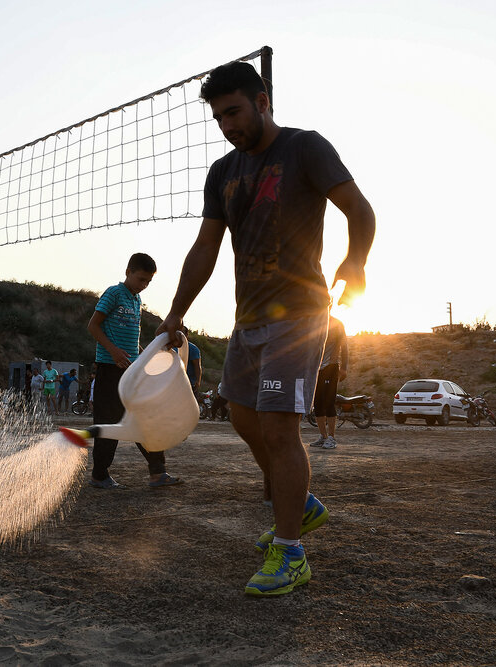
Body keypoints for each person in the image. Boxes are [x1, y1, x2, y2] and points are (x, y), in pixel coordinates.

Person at [157, 61, 375, 597]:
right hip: (247, 319)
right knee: (241, 416)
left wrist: (357, 262)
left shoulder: (305, 148)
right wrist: (175, 313)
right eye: (217, 117)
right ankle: (298, 502)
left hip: (299, 315)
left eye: (233, 111)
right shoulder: (221, 172)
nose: (227, 124)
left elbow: (359, 208)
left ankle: (292, 553)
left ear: (262, 100)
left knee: (280, 429)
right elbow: (206, 247)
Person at [87, 252, 181, 489]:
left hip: (132, 371)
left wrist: (144, 357)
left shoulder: (136, 301)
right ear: (128, 272)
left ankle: (157, 473)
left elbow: (132, 339)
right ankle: (99, 475)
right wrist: (113, 351)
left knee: (147, 418)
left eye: (148, 282)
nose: (144, 286)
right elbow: (93, 325)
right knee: (110, 422)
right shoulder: (114, 293)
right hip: (110, 369)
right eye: (141, 279)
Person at [311, 314, 349, 449]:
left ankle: (332, 438)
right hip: (316, 369)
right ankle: (323, 436)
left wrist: (344, 368)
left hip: (331, 367)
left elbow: (344, 347)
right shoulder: (314, 321)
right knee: (317, 404)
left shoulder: (337, 323)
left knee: (328, 403)